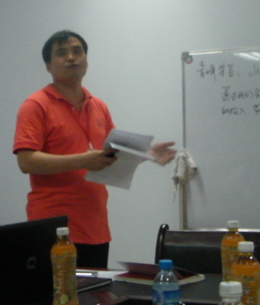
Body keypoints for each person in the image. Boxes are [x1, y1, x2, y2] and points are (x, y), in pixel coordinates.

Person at [13, 30, 176, 268]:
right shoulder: (35, 105)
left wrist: (147, 153)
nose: (71, 58)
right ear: (48, 65)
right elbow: (26, 161)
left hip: (94, 226)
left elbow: (111, 155)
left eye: (77, 51)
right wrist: (82, 160)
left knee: (95, 291)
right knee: (58, 291)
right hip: (52, 226)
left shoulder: (98, 106)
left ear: (86, 60)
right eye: (62, 53)